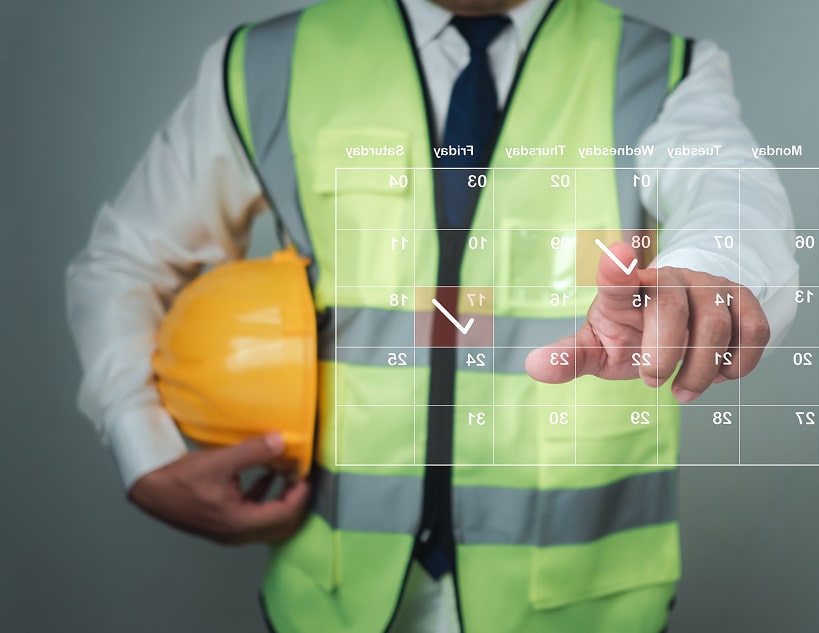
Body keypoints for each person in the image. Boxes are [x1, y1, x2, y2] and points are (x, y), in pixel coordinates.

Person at [66, 0, 798, 631]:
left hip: (585, 606)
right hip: (333, 597)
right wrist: (145, 452)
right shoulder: (265, 64)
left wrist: (715, 270)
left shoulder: (664, 70)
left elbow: (728, 192)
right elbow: (126, 260)